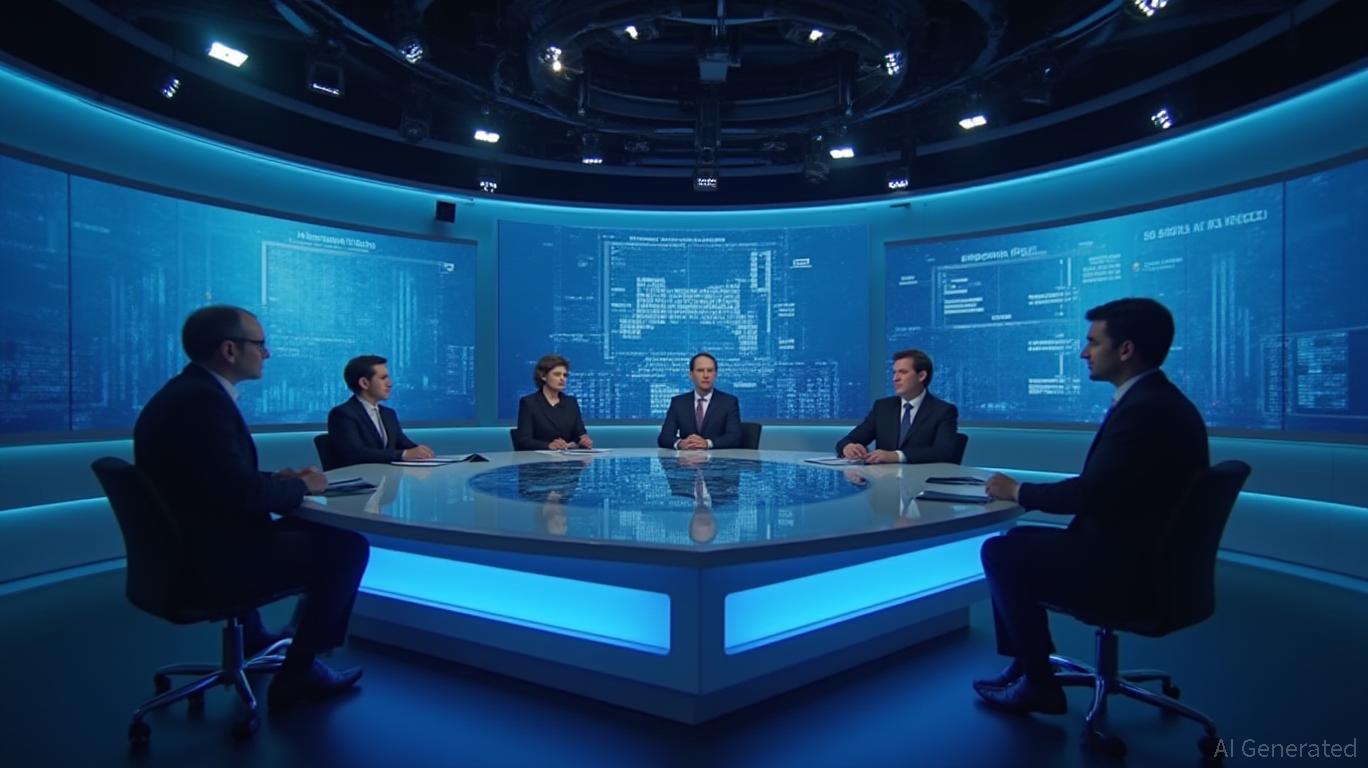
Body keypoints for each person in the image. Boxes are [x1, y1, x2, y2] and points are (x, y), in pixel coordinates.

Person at [974, 298, 1209, 715]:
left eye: (1093, 342)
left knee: (1000, 552)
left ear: (1126, 349)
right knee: (1016, 539)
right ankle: (1030, 662)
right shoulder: (1158, 401)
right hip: (1152, 557)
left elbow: (1089, 494)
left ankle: (1039, 683)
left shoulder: (1146, 411)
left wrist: (1018, 491)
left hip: (1127, 568)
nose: (1084, 352)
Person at [133, 305, 369, 708]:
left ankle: (256, 636)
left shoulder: (186, 394)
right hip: (212, 557)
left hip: (185, 549)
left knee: (325, 533)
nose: (267, 353)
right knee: (347, 548)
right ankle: (300, 672)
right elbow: (240, 496)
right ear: (229, 350)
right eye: (260, 344)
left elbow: (213, 478)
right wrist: (301, 486)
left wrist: (278, 480)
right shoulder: (203, 403)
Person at [835, 349, 961, 464]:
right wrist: (848, 447)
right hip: (884, 479)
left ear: (921, 376)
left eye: (903, 372)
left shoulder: (943, 411)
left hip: (922, 479)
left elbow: (944, 453)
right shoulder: (883, 407)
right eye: (894, 372)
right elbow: (848, 440)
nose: (895, 378)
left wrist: (897, 456)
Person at [327, 355, 434, 466]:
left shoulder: (388, 414)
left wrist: (421, 452)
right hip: (358, 475)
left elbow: (404, 444)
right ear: (364, 383)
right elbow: (356, 453)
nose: (389, 384)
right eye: (383, 378)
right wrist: (403, 454)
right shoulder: (342, 414)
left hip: (387, 475)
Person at [657, 352, 743, 450]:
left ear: (715, 374)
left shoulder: (728, 402)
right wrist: (680, 443)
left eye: (710, 370)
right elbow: (664, 437)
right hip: (686, 458)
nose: (706, 375)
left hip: (717, 458)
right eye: (700, 370)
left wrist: (707, 443)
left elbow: (734, 437)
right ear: (691, 375)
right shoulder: (678, 403)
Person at [513, 354, 594, 450]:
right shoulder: (529, 403)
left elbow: (579, 435)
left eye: (565, 375)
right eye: (557, 374)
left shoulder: (571, 402)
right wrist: (548, 445)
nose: (562, 378)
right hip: (539, 458)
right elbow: (524, 440)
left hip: (567, 457)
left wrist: (584, 440)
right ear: (543, 376)